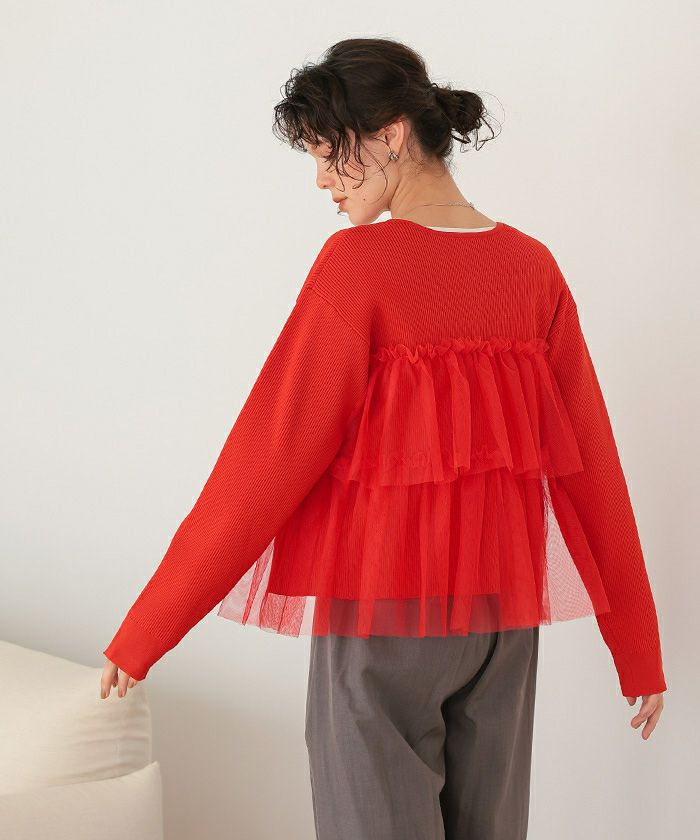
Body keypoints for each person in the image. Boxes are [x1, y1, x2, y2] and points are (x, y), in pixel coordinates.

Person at [100, 36, 666, 840]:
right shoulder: (532, 268)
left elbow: (270, 458)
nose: (321, 180)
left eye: (328, 153)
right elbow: (593, 471)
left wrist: (147, 629)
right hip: (503, 629)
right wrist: (637, 649)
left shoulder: (357, 267)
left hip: (384, 621)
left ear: (392, 135)